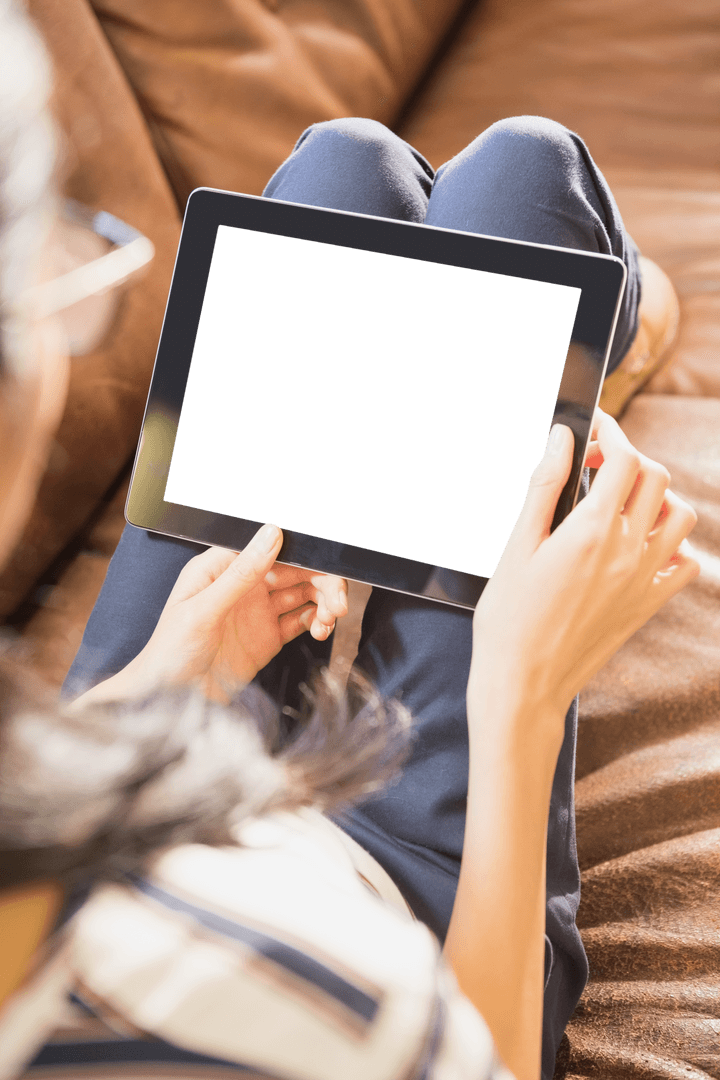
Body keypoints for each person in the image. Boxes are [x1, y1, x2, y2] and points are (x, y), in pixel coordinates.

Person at [0, 3, 699, 1079]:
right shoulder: (330, 1017)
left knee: (346, 167)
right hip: (409, 907)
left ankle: (590, 349)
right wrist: (521, 692)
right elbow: (490, 1058)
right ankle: (618, 334)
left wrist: (167, 675)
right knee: (527, 170)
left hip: (133, 764)